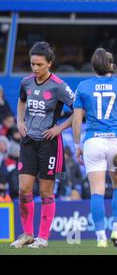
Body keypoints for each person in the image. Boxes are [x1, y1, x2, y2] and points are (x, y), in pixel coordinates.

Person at [72, 48, 117, 248]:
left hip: (93, 142)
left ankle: (101, 237)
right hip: (116, 143)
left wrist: (77, 145)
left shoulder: (83, 86)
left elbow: (77, 120)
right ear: (112, 65)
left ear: (93, 65)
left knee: (97, 192)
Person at [10, 42, 75, 249]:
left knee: (46, 192)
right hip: (29, 141)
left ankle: (43, 238)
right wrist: (20, 121)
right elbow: (21, 101)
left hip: (49, 143)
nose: (35, 68)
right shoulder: (26, 82)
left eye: (39, 64)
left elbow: (79, 110)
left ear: (49, 64)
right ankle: (28, 234)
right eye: (32, 64)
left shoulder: (59, 86)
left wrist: (60, 128)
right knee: (23, 190)